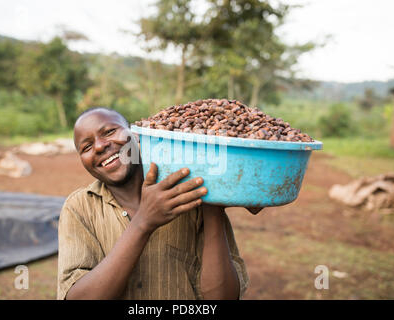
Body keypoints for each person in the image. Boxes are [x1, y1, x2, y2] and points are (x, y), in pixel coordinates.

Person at [57, 107, 257, 300]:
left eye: (109, 131)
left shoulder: (188, 194)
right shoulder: (79, 207)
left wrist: (212, 203)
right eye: (87, 147)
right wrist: (143, 222)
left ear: (136, 133)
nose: (100, 146)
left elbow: (222, 296)